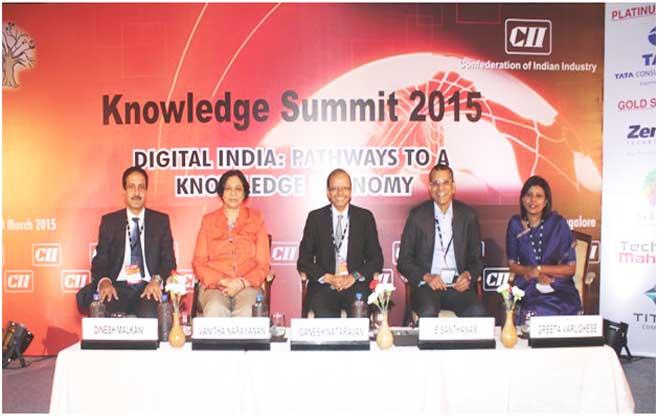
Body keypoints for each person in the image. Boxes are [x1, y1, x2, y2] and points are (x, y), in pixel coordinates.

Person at [76, 166, 177, 317]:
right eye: (131, 187)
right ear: (124, 192)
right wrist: (104, 282)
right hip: (117, 287)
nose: (136, 192)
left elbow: (169, 262)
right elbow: (100, 261)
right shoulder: (110, 222)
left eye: (141, 187)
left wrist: (156, 280)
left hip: (148, 287)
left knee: (151, 314)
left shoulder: (160, 221)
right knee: (106, 311)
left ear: (146, 192)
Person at [397, 163, 486, 318]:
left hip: (457, 286)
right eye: (436, 183)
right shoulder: (417, 216)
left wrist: (468, 275)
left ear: (453, 187)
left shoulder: (468, 216)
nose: (441, 188)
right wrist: (427, 277)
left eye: (445, 182)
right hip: (427, 286)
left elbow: (477, 260)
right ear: (430, 188)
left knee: (478, 312)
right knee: (428, 310)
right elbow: (404, 261)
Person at [297, 168, 384, 317]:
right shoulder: (315, 218)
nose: (340, 193)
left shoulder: (365, 217)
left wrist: (353, 277)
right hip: (324, 286)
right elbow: (303, 261)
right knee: (324, 316)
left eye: (345, 188)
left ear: (351, 192)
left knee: (359, 315)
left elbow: (376, 260)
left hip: (355, 284)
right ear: (328, 193)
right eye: (335, 188)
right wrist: (328, 277)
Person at [192, 170, 270, 317]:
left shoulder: (256, 219)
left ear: (245, 193)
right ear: (221, 193)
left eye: (238, 189)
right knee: (215, 308)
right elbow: (199, 263)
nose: (233, 193)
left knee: (247, 310)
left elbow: (263, 264)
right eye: (228, 188)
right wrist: (222, 281)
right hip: (215, 286)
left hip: (247, 285)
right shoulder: (208, 221)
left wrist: (241, 283)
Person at [506, 175, 581, 323]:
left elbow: (570, 269)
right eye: (529, 195)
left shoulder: (559, 224)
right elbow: (512, 264)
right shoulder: (515, 224)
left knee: (562, 307)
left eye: (539, 196)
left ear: (546, 201)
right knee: (532, 310)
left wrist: (540, 269)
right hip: (528, 284)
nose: (533, 200)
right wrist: (531, 272)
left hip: (558, 285)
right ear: (522, 199)